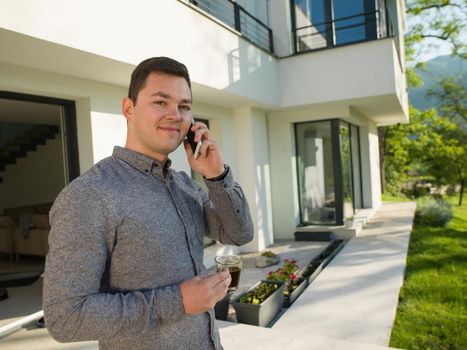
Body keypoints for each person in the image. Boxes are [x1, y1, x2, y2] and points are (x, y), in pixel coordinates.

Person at [43, 57, 254, 350]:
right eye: (160, 102)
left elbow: (238, 233)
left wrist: (217, 177)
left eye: (184, 106)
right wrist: (178, 301)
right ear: (128, 108)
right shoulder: (90, 195)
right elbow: (65, 317)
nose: (175, 115)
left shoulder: (185, 185)